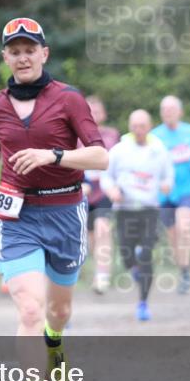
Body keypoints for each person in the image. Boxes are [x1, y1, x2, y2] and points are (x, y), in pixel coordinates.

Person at [0, 17, 108, 381]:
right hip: (17, 215)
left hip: (66, 212)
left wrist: (53, 156)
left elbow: (100, 157)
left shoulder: (68, 99)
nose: (23, 57)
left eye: (31, 49)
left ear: (44, 53)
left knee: (57, 312)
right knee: (29, 307)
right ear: (5, 57)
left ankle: (55, 340)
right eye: (15, 50)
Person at [101, 109, 173, 322]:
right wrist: (111, 190)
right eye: (134, 126)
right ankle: (134, 271)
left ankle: (143, 303)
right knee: (127, 255)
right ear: (130, 126)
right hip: (124, 209)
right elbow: (106, 176)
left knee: (146, 255)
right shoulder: (119, 150)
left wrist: (167, 184)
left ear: (149, 126)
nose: (138, 130)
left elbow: (168, 174)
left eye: (142, 126)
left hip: (149, 209)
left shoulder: (159, 149)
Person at [151, 95, 190, 294]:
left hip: (188, 188)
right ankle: (184, 271)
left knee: (184, 226)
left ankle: (186, 272)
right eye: (164, 110)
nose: (168, 113)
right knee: (173, 236)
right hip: (165, 193)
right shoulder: (155, 136)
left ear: (180, 112)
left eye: (172, 109)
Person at [81, 96, 120, 294]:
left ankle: (102, 277)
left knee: (103, 229)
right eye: (90, 111)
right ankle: (96, 272)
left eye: (97, 111)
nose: (94, 115)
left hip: (106, 191)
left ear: (104, 114)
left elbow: (122, 162)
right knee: (91, 238)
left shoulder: (113, 135)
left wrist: (118, 186)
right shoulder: (76, 136)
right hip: (83, 194)